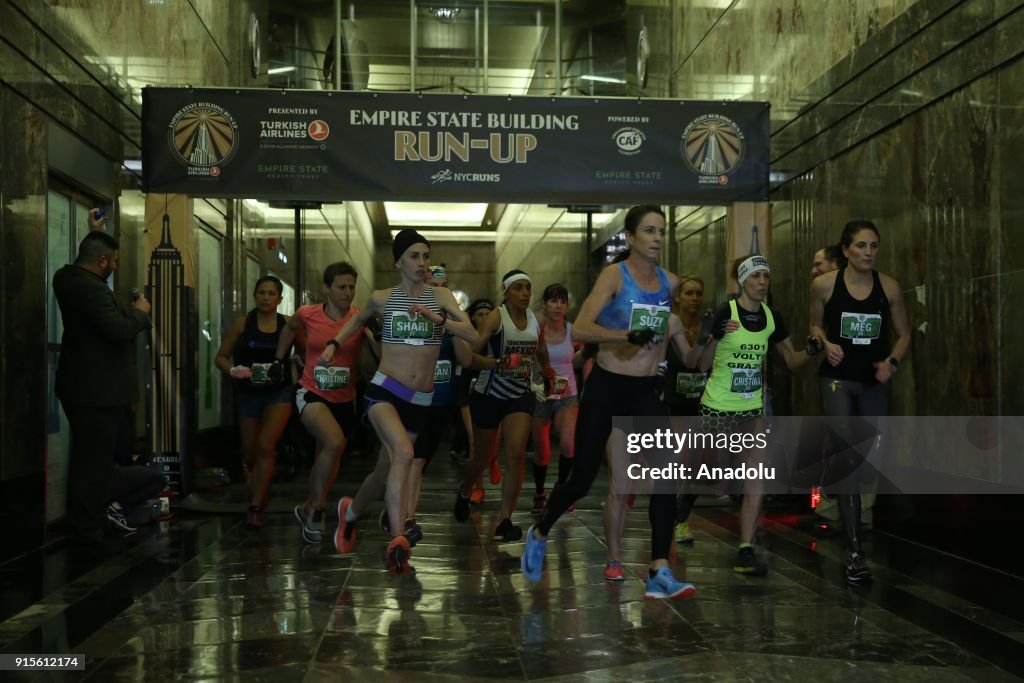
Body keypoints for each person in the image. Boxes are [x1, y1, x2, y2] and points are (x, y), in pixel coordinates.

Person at [521, 205, 695, 602]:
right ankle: (541, 529)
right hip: (606, 386)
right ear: (631, 237)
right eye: (648, 231)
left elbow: (680, 344)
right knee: (581, 479)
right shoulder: (615, 276)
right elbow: (580, 327)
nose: (657, 238)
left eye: (661, 231)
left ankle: (659, 570)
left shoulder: (670, 282)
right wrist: (624, 336)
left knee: (668, 476)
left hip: (644, 390)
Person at [327, 230, 477, 573]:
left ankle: (349, 513)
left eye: (426, 256)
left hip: (421, 399)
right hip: (386, 390)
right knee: (405, 456)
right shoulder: (382, 298)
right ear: (398, 262)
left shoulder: (441, 296)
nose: (422, 263)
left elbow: (470, 333)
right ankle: (398, 540)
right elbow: (357, 319)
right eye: (414, 256)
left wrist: (435, 317)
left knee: (384, 471)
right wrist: (334, 344)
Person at [693, 254, 823, 576]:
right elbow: (700, 364)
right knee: (714, 482)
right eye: (756, 277)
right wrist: (716, 334)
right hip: (717, 408)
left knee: (755, 479)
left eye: (766, 276)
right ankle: (680, 514)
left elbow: (791, 362)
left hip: (752, 409)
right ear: (742, 281)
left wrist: (809, 351)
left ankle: (746, 548)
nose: (763, 283)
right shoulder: (726, 313)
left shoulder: (772, 318)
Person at [809, 220, 910, 583]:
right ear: (846, 250)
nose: (869, 252)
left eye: (874, 246)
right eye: (862, 246)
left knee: (866, 457)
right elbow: (815, 327)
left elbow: (904, 334)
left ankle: (851, 519)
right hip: (837, 380)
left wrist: (892, 363)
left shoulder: (890, 288)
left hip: (873, 382)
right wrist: (826, 343)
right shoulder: (824, 285)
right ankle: (855, 552)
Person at [53, 212, 152, 547]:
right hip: (97, 391)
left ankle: (91, 520)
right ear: (101, 261)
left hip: (84, 388)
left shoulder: (66, 279)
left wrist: (95, 233)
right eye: (112, 262)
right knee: (92, 464)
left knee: (91, 459)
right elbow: (118, 330)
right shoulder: (91, 290)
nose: (114, 267)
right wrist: (141, 313)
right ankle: (87, 528)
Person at [273, 262, 374, 544]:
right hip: (310, 392)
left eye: (352, 287)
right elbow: (289, 327)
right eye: (341, 287)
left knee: (328, 456)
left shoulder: (359, 318)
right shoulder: (308, 314)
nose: (347, 292)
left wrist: (373, 334)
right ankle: (317, 509)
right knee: (333, 443)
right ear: (327, 288)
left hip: (345, 397)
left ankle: (309, 505)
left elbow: (377, 350)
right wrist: (279, 360)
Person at [454, 269, 556, 543]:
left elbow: (542, 349)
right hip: (488, 393)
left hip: (519, 395)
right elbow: (471, 356)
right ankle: (465, 491)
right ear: (506, 292)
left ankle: (504, 520)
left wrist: (547, 372)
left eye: (528, 288)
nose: (525, 293)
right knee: (482, 458)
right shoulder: (495, 317)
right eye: (518, 288)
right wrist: (498, 363)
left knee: (515, 455)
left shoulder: (536, 321)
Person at [214, 276, 295, 531]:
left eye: (271, 293)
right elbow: (220, 357)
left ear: (280, 299)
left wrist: (301, 366)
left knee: (265, 446)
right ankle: (260, 488)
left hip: (278, 394)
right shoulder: (242, 324)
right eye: (261, 292)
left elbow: (306, 353)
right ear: (255, 295)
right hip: (248, 394)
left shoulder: (289, 325)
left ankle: (255, 507)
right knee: (250, 453)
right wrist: (234, 370)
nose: (266, 297)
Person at [661, 276, 707, 545]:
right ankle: (673, 518)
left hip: (703, 400)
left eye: (699, 293)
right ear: (678, 298)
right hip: (674, 400)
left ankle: (680, 515)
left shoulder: (707, 327)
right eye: (689, 293)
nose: (695, 298)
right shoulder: (669, 324)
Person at [529, 283, 582, 514]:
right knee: (542, 452)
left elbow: (580, 360)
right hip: (540, 394)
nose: (558, 306)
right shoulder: (534, 330)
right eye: (553, 301)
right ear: (544, 304)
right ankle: (539, 493)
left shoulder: (574, 330)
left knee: (569, 444)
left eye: (562, 301)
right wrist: (533, 382)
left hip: (567, 394)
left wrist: (584, 356)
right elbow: (527, 359)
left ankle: (562, 491)